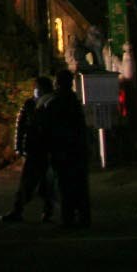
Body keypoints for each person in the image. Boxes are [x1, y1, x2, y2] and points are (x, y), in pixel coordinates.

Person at [0, 76, 56, 223]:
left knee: (48, 184)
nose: (36, 90)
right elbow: (21, 125)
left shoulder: (52, 103)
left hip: (48, 150)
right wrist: (18, 145)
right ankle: (18, 210)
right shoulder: (30, 104)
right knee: (28, 182)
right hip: (35, 149)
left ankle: (47, 211)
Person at [46, 69, 91, 228]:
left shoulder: (56, 102)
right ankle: (83, 216)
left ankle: (68, 217)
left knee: (65, 186)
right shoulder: (74, 101)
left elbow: (50, 128)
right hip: (76, 149)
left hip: (63, 150)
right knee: (79, 185)